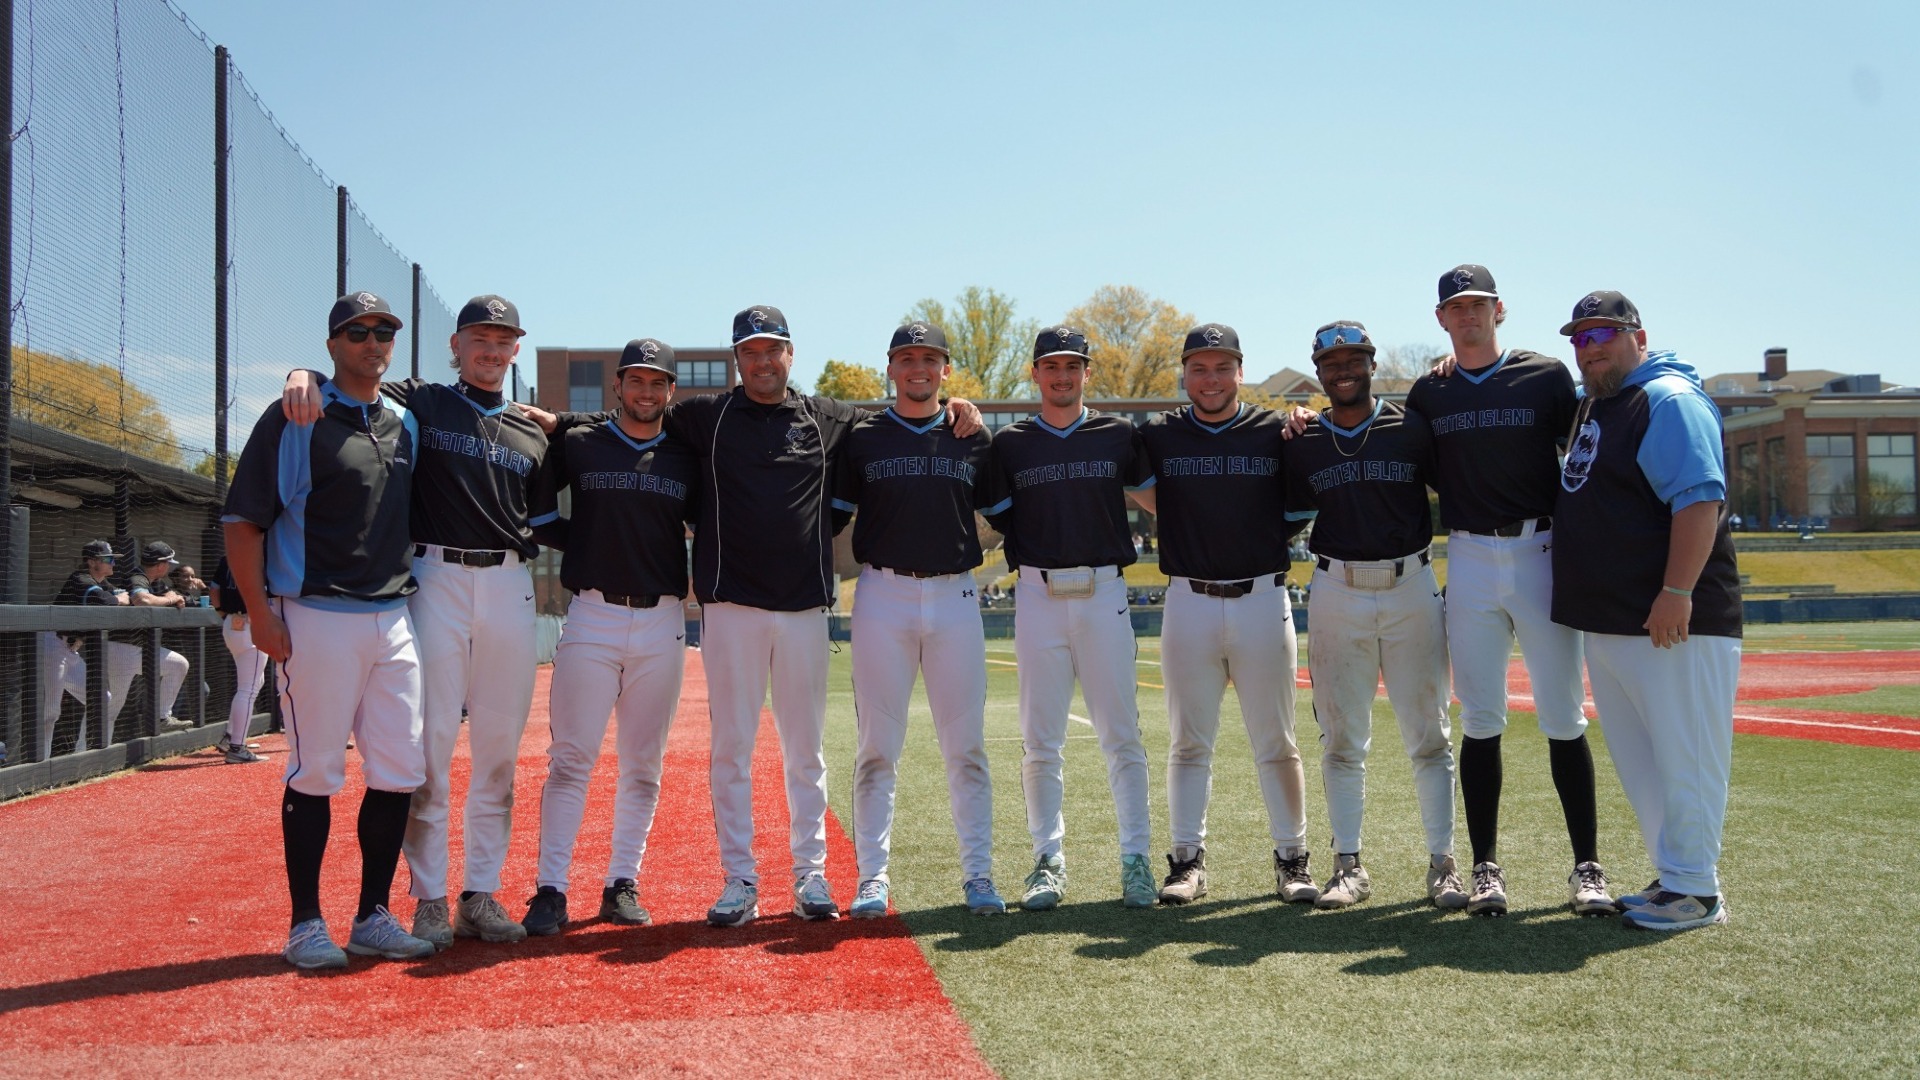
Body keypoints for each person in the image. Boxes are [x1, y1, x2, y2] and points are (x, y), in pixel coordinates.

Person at [284, 293, 556, 948]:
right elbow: (355, 379)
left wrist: (559, 420)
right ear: (456, 346)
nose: (491, 352)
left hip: (509, 585)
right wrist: (303, 376)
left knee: (497, 751)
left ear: (516, 350)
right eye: (479, 340)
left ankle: (480, 893)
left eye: (503, 342)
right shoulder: (425, 402)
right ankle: (429, 898)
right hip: (435, 580)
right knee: (427, 748)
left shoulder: (532, 431)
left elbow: (550, 508)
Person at [223, 290, 434, 969]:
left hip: (394, 615)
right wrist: (258, 610)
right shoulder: (295, 415)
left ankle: (374, 914)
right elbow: (241, 521)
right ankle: (305, 924)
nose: (373, 342)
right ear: (332, 344)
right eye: (358, 332)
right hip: (315, 614)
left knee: (400, 769)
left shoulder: (406, 421)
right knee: (316, 770)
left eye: (384, 332)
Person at [1406, 265, 1611, 918]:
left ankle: (1587, 867)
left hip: (1541, 551)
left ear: (1500, 309)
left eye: (1477, 305)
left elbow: (1587, 451)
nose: (1467, 316)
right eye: (1455, 308)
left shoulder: (1546, 375)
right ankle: (1486, 867)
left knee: (1563, 715)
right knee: (1481, 719)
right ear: (1441, 319)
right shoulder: (1428, 393)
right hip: (1467, 554)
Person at [1551, 291, 1741, 931]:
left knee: (1685, 757)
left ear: (1638, 335)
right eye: (1580, 337)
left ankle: (1698, 891)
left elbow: (1698, 501)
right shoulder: (1600, 405)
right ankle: (1674, 877)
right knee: (1645, 764)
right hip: (1615, 621)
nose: (1592, 346)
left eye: (1604, 332)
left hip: (1673, 618)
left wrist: (1677, 591)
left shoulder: (1669, 399)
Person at [1132, 323, 1318, 905]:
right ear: (1183, 374)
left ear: (1241, 371)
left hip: (1263, 598)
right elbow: (1137, 485)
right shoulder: (1159, 434)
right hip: (1188, 600)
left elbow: (1300, 508)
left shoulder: (1275, 430)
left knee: (1278, 740)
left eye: (1221, 367)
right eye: (1198, 368)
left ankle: (1293, 858)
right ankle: (1186, 861)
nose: (1209, 379)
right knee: (1189, 743)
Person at [829, 321, 1008, 918]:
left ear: (946, 369)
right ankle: (873, 878)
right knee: (877, 747)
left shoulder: (973, 436)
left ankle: (978, 875)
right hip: (882, 596)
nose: (918, 369)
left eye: (929, 359)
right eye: (907, 358)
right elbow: (828, 518)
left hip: (956, 596)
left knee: (967, 749)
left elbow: (1006, 516)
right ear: (890, 367)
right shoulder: (862, 436)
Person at [1282, 321, 1461, 911]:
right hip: (1337, 588)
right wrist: (1291, 421)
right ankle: (1348, 866)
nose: (1343, 370)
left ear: (1371, 363)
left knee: (1430, 735)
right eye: (1331, 362)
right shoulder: (1303, 437)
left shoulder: (1412, 426)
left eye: (1353, 359)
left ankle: (1444, 865)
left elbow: (1465, 474)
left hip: (1411, 583)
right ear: (1318, 371)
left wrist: (1449, 372)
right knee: (1340, 737)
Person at [520, 339, 697, 935]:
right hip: (592, 616)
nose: (646, 392)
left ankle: (623, 881)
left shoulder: (685, 451)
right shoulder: (579, 442)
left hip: (662, 620)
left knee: (643, 764)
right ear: (618, 386)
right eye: (637, 381)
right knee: (571, 759)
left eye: (658, 383)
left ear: (671, 392)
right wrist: (598, 545)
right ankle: (550, 888)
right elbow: (543, 520)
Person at [980, 325, 1157, 910]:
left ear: (1086, 373)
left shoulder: (1118, 435)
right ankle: (1047, 860)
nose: (1062, 376)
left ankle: (1135, 859)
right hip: (1037, 596)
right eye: (1051, 366)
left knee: (1122, 736)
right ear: (1034, 374)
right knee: (1040, 741)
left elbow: (1163, 499)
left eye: (1072, 366)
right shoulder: (1010, 445)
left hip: (1104, 592)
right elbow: (995, 522)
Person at [39, 539, 121, 759]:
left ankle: (82, 756)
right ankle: (40, 767)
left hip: (71, 650)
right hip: (54, 645)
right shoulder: (80, 579)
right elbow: (106, 601)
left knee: (102, 697)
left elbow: (124, 596)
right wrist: (119, 599)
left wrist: (120, 597)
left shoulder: (102, 581)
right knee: (50, 712)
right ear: (92, 561)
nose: (113, 563)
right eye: (108, 559)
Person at [105, 541, 193, 734]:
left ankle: (88, 752)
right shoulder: (138, 577)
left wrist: (171, 596)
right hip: (122, 648)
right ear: (160, 564)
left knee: (111, 707)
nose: (169, 567)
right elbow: (141, 599)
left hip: (129, 649)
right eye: (168, 563)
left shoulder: (155, 581)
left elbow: (172, 595)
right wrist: (170, 599)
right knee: (179, 664)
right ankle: (161, 717)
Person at [207, 557, 267, 764]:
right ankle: (237, 747)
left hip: (232, 624)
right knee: (248, 689)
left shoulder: (229, 557)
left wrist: (222, 613)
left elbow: (214, 591)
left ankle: (231, 737)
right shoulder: (267, 558)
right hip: (252, 626)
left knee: (255, 683)